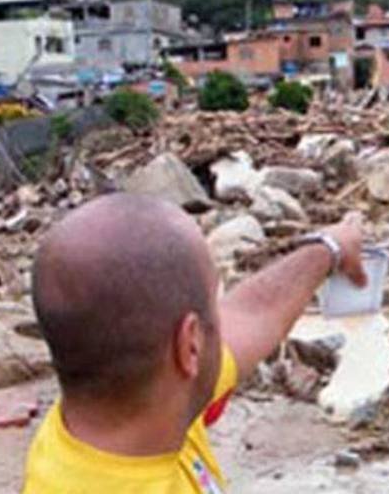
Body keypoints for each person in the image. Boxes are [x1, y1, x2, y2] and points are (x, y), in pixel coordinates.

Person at [23, 193, 367, 493]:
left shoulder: (125, 410)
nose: (222, 316)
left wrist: (331, 249)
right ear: (191, 346)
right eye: (213, 307)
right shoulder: (165, 400)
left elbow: (253, 312)